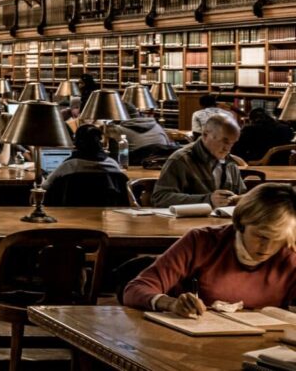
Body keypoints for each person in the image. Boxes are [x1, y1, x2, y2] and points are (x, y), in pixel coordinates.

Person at [123, 183, 296, 315]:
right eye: (261, 236)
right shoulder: (201, 241)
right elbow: (135, 289)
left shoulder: (290, 254)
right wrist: (170, 303)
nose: (268, 248)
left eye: (279, 240)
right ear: (242, 222)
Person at [152, 114, 245, 209]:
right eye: (224, 141)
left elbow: (242, 194)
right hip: (189, 222)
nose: (228, 148)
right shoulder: (181, 159)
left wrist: (240, 199)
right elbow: (160, 198)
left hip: (224, 221)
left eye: (232, 143)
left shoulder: (230, 162)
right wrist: (208, 200)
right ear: (205, 135)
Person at [42, 125, 123, 189]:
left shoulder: (70, 165)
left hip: (71, 208)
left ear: (77, 143)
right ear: (100, 143)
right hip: (106, 209)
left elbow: (45, 186)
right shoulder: (112, 164)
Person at [113, 103, 177, 162]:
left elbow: (115, 155)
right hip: (160, 166)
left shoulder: (118, 130)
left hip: (134, 169)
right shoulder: (157, 125)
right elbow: (169, 145)